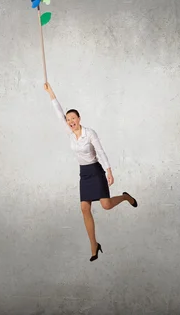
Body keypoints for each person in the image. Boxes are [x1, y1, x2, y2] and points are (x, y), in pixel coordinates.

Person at [43, 82, 138, 262]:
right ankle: (93, 245)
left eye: (73, 119)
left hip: (95, 171)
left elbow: (100, 152)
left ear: (79, 119)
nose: (70, 122)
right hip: (84, 174)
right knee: (84, 208)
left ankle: (125, 197)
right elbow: (58, 111)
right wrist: (50, 92)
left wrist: (109, 171)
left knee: (106, 205)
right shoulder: (69, 133)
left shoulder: (90, 133)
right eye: (68, 119)